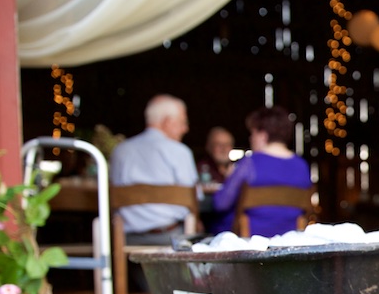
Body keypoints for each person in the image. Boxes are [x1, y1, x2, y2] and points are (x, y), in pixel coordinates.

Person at [110, 94, 198, 246]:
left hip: (125, 240)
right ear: (167, 122)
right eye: (183, 122)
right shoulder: (180, 151)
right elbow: (194, 199)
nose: (186, 129)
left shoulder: (120, 150)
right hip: (171, 239)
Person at [212, 105, 311, 237]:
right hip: (288, 239)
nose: (250, 138)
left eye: (252, 133)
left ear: (262, 135)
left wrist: (230, 178)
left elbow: (220, 204)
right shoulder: (302, 166)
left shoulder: (250, 163)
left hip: (249, 241)